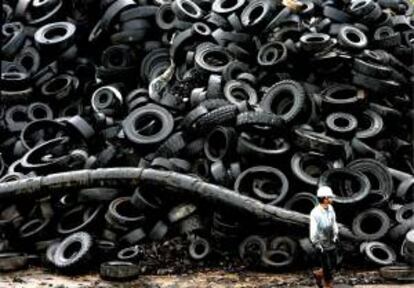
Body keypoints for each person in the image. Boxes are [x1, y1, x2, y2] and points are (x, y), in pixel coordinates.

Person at [309, 186, 339, 288]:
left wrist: (335, 234)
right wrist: (316, 243)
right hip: (321, 242)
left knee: (334, 263)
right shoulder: (315, 212)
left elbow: (333, 222)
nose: (332, 199)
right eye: (331, 197)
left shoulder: (331, 208)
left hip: (331, 239)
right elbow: (313, 230)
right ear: (325, 198)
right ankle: (328, 284)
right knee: (327, 265)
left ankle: (319, 274)